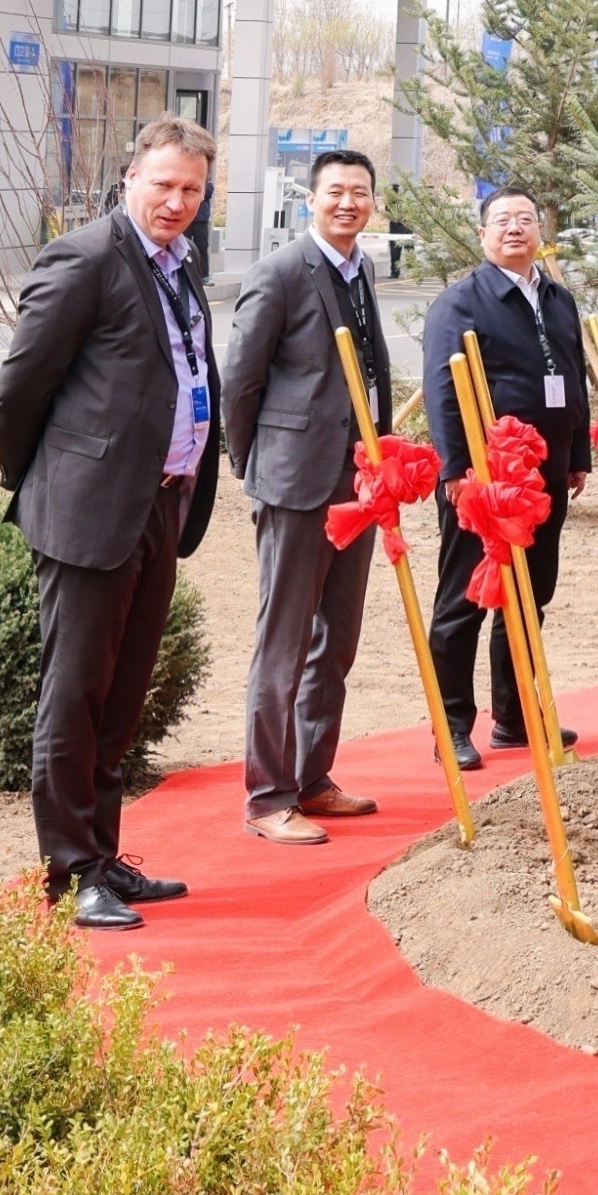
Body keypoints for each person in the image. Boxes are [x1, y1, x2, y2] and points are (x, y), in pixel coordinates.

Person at [0, 117, 224, 931]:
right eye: (163, 183)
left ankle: (104, 852)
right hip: (89, 510)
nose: (176, 201)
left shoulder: (180, 266)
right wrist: (40, 482)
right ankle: (69, 869)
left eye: (192, 188)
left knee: (123, 693)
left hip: (160, 501)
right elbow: (18, 388)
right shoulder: (86, 258)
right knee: (76, 693)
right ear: (129, 177)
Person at [219, 147, 393, 844]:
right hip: (295, 481)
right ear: (310, 199)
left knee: (336, 639)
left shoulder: (362, 268)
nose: (347, 202)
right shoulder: (282, 272)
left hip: (358, 480)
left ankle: (313, 777)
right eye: (335, 192)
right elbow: (241, 379)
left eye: (359, 192)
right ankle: (268, 795)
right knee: (284, 640)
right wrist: (252, 461)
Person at [422, 189, 591, 762]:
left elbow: (575, 380)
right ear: (482, 233)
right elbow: (444, 392)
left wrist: (578, 454)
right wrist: (455, 470)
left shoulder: (558, 299)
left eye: (526, 219)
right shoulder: (461, 303)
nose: (515, 228)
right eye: (502, 220)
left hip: (545, 476)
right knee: (465, 597)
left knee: (529, 595)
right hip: (485, 479)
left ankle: (516, 717)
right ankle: (452, 727)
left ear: (540, 230)